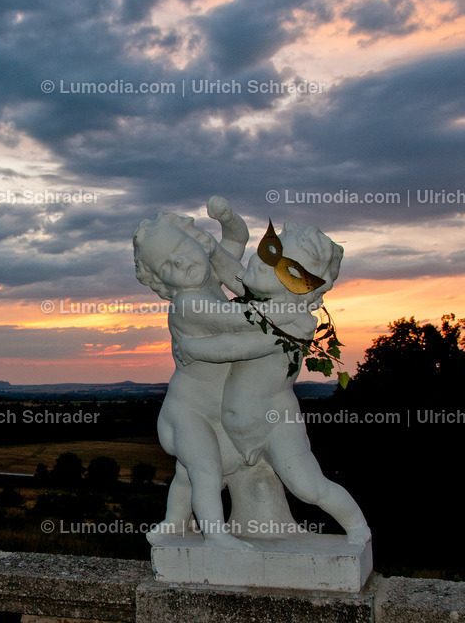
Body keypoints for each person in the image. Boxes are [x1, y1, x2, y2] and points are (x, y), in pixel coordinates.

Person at [177, 222, 371, 544]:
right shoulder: (265, 306)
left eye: (270, 266)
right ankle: (177, 524)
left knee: (308, 486)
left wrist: (190, 348)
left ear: (295, 288)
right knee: (193, 468)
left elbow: (234, 348)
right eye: (265, 252)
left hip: (274, 426)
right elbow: (236, 276)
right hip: (235, 428)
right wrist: (212, 249)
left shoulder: (294, 326)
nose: (256, 262)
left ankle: (357, 527)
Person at [133, 206, 307, 547]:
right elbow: (239, 320)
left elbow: (235, 240)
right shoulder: (189, 304)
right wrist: (291, 305)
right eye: (167, 265)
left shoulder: (210, 276)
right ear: (161, 280)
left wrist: (227, 219)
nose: (179, 264)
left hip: (210, 412)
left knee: (188, 474)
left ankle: (173, 523)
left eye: (180, 251)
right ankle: (216, 534)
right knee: (206, 470)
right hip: (187, 411)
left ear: (199, 241)